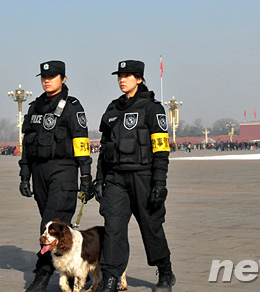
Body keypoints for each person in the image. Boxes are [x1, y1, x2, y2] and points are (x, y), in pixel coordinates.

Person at [93, 60, 175, 292]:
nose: (122, 80)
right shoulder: (112, 109)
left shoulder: (152, 108)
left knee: (151, 227)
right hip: (116, 179)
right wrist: (100, 179)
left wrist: (160, 183)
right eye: (120, 76)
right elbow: (105, 147)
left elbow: (161, 149)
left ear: (139, 79)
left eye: (127, 76)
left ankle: (165, 272)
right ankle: (110, 277)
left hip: (144, 177)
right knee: (113, 229)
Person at [19, 60, 94, 292]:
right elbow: (26, 145)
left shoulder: (72, 107)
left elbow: (81, 142)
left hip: (63, 171)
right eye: (44, 77)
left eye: (52, 77)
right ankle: (78, 269)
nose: (47, 81)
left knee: (47, 226)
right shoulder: (34, 108)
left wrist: (85, 175)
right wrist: (24, 175)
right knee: (60, 228)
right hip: (39, 173)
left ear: (63, 78)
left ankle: (42, 276)